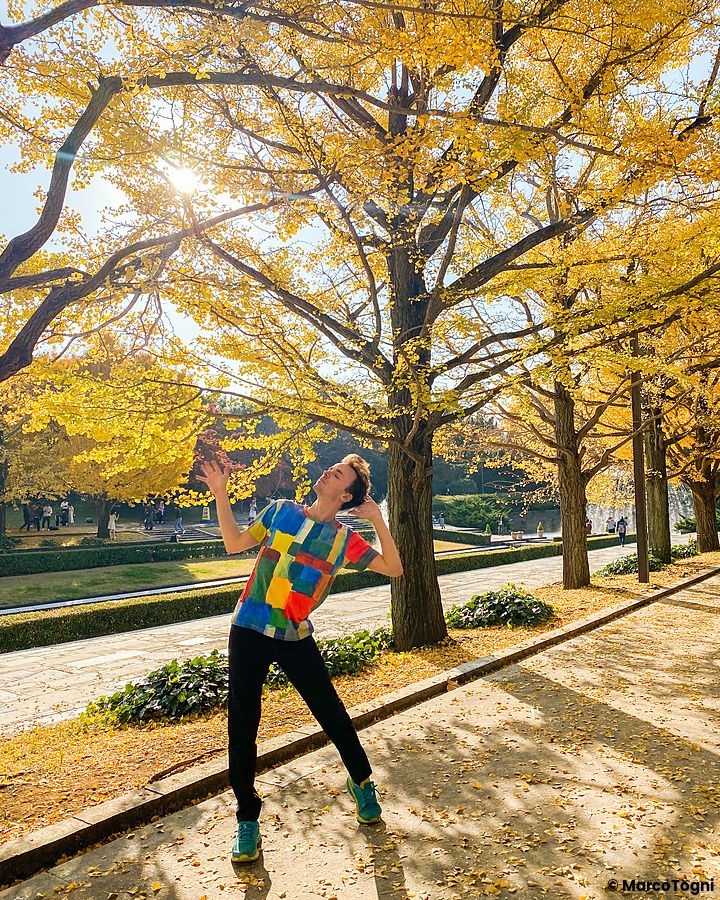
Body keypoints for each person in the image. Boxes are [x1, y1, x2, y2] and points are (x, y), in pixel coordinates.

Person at [197, 454, 403, 865]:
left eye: (338, 473)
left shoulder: (345, 539)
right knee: (242, 722)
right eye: (331, 468)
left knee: (331, 712)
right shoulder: (280, 511)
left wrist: (377, 518)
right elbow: (234, 543)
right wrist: (221, 493)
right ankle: (246, 820)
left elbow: (394, 568)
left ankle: (362, 783)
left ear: (345, 495)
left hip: (294, 635)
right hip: (249, 627)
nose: (327, 471)